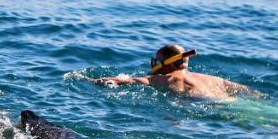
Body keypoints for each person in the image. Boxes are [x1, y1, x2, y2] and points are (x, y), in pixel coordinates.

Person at [93, 44, 256, 101]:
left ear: (168, 63)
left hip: (207, 104)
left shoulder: (163, 79)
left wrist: (90, 80)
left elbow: (127, 81)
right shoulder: (213, 79)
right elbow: (251, 93)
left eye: (157, 61)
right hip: (231, 102)